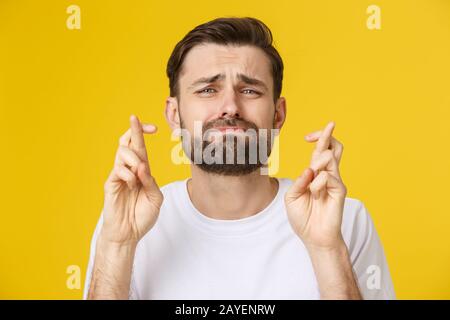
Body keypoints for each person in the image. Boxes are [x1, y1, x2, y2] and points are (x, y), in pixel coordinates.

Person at [84, 17, 395, 300]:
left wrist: (327, 250)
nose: (230, 106)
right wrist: (118, 246)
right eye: (208, 90)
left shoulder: (344, 220)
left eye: (249, 91)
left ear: (278, 114)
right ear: (175, 114)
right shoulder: (125, 223)